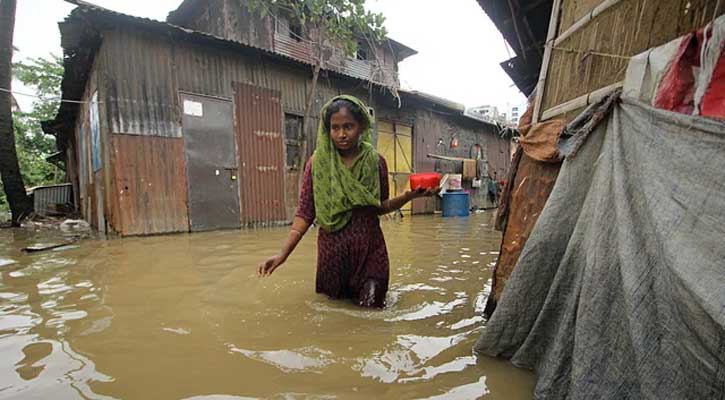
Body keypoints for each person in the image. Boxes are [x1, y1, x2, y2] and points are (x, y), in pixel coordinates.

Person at [257, 95, 438, 308]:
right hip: (333, 257)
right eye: (335, 128)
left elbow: (380, 207)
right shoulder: (317, 163)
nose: (341, 134)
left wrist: (408, 197)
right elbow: (306, 213)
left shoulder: (375, 161)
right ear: (327, 130)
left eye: (348, 126)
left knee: (372, 313)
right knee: (334, 319)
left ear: (361, 126)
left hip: (370, 253)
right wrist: (282, 254)